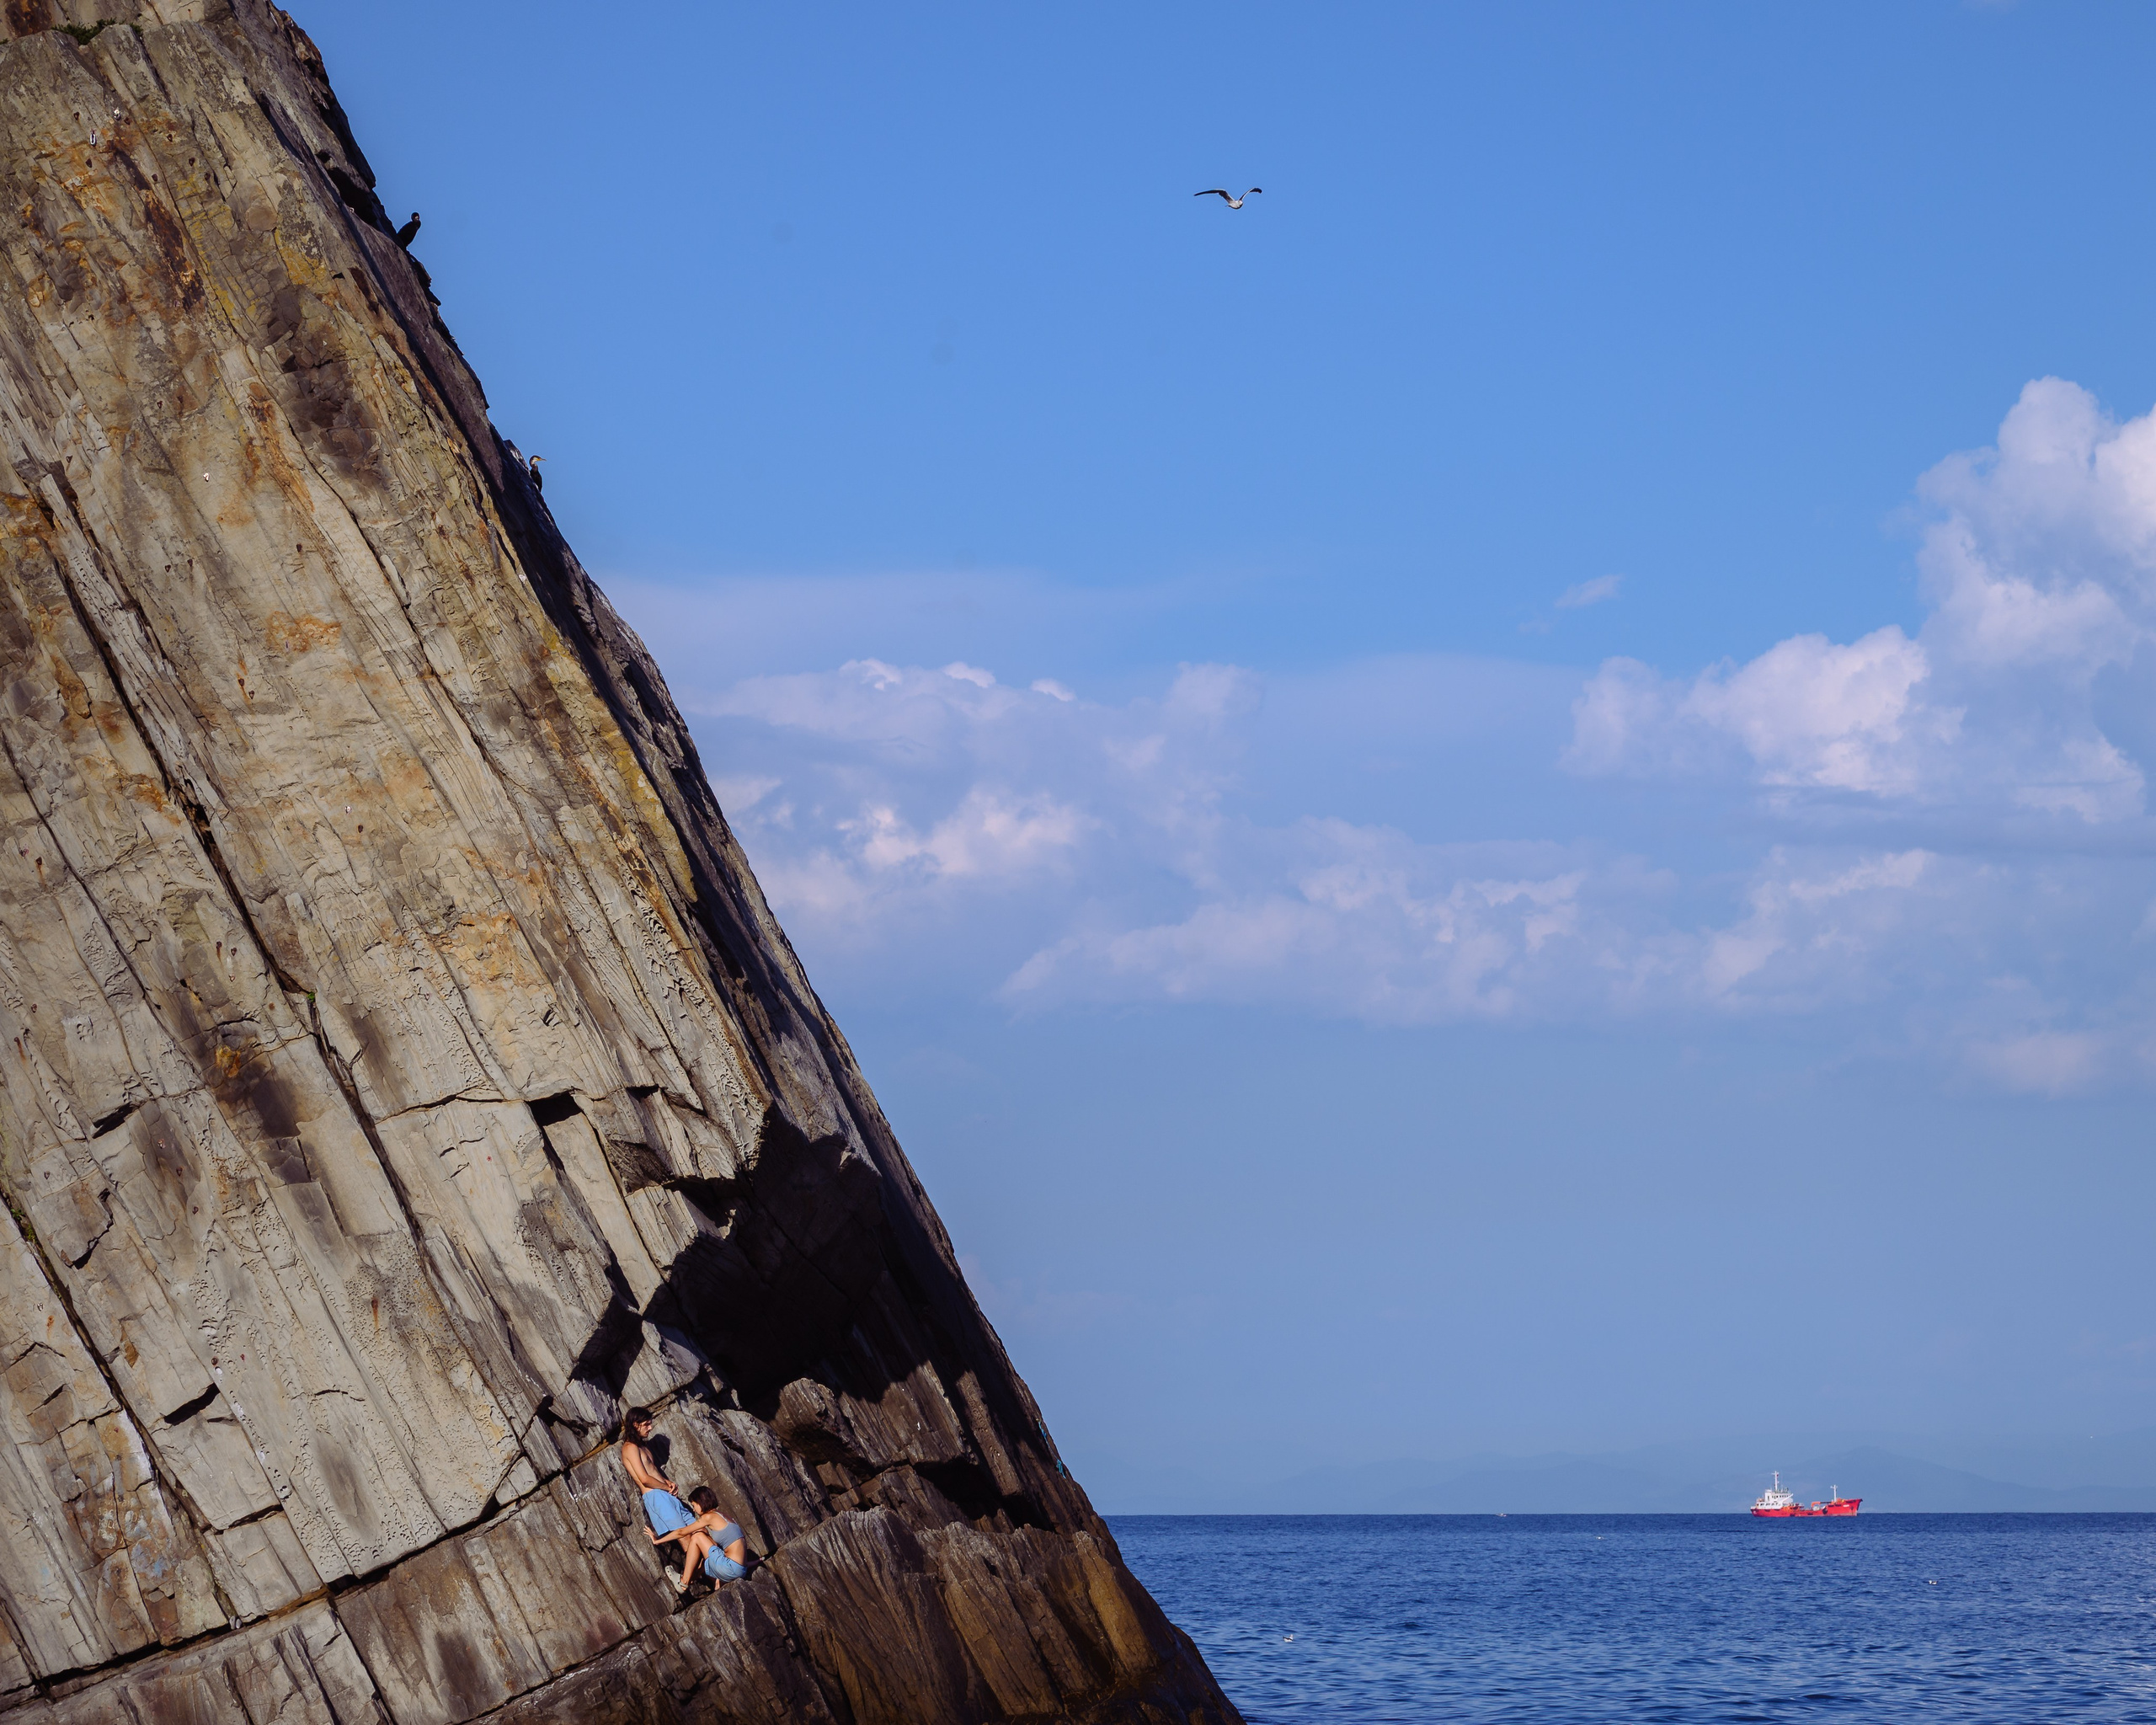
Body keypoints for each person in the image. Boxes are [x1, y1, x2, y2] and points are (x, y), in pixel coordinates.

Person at [620, 1407, 700, 1584]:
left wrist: (668, 1482)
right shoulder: (630, 1448)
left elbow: (653, 1471)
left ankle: (709, 1576)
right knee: (685, 1537)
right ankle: (688, 1582)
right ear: (635, 1424)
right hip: (655, 1496)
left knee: (698, 1531)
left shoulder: (642, 1446)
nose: (650, 1428)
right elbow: (644, 1479)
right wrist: (665, 1486)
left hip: (664, 1493)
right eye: (647, 1424)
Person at [648, 1486, 748, 1590]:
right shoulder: (725, 1516)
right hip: (741, 1570)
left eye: (694, 1505)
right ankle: (713, 1582)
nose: (694, 1509)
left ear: (701, 1502)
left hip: (730, 1569)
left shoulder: (709, 1517)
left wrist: (658, 1540)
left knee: (697, 1536)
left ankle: (683, 1582)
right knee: (707, 1540)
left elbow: (681, 1532)